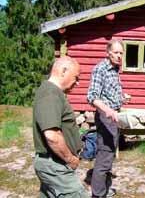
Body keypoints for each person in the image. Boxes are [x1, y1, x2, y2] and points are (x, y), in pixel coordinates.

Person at [33, 56, 89, 197]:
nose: (77, 83)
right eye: (76, 77)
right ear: (64, 71)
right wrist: (71, 159)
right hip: (55, 165)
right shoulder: (50, 93)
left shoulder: (53, 92)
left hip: (54, 163)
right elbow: (52, 136)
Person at [87, 40, 129, 198]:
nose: (119, 56)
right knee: (105, 154)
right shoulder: (100, 69)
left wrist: (122, 98)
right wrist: (109, 111)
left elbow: (108, 94)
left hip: (113, 116)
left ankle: (104, 188)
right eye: (116, 52)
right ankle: (97, 194)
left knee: (109, 154)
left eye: (121, 53)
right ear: (108, 52)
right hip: (106, 117)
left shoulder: (115, 69)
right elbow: (92, 97)